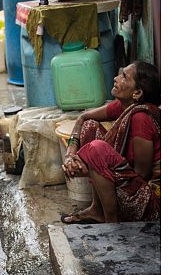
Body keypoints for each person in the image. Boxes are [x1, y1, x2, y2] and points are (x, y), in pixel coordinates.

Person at [61, 61, 160, 224]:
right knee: (90, 127)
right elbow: (83, 118)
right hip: (129, 182)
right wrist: (70, 155)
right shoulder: (126, 106)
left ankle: (111, 223)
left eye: (124, 77)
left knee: (96, 150)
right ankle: (97, 210)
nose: (116, 78)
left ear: (137, 93)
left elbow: (142, 175)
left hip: (149, 201)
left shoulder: (141, 118)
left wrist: (93, 166)